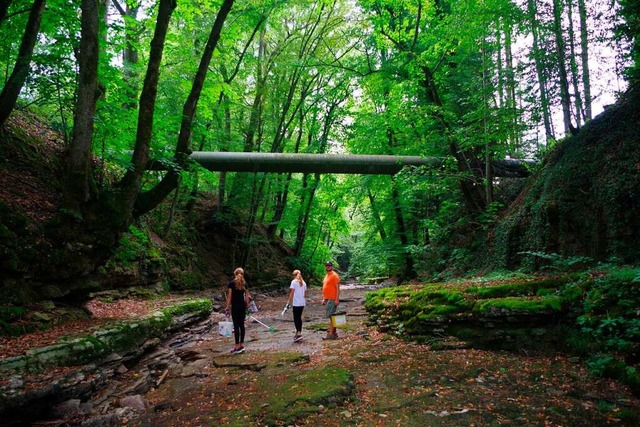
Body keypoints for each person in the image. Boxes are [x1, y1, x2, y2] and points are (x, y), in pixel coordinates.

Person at [226, 267, 250, 354]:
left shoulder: (231, 284)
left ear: (235, 274)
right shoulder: (245, 284)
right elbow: (247, 297)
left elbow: (229, 297)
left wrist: (227, 307)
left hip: (235, 306)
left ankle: (236, 346)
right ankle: (241, 344)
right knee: (242, 325)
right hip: (242, 306)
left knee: (236, 326)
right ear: (242, 274)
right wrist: (247, 306)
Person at [321, 261, 340, 340]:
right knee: (332, 316)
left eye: (329, 265)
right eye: (326, 265)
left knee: (331, 316)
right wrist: (324, 298)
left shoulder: (335, 275)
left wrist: (336, 299)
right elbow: (326, 287)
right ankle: (334, 333)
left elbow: (338, 288)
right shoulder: (326, 275)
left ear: (332, 266)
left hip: (333, 298)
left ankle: (330, 334)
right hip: (328, 298)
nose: (328, 267)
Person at [287, 269, 307, 342]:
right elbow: (304, 294)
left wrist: (289, 301)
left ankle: (298, 334)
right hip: (302, 303)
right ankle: (299, 332)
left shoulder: (294, 282)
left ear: (294, 275)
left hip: (296, 303)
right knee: (299, 317)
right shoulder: (304, 283)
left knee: (296, 318)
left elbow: (292, 292)